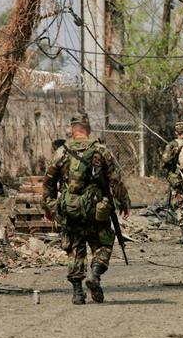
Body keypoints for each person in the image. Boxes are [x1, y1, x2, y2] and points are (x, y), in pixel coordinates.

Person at [42, 113, 131, 305]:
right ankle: (95, 274)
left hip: (70, 210)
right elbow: (115, 180)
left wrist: (50, 208)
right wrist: (124, 202)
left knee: (75, 249)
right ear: (87, 129)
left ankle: (77, 293)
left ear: (72, 130)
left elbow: (48, 183)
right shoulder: (101, 151)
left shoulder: (61, 152)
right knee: (104, 244)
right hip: (96, 210)